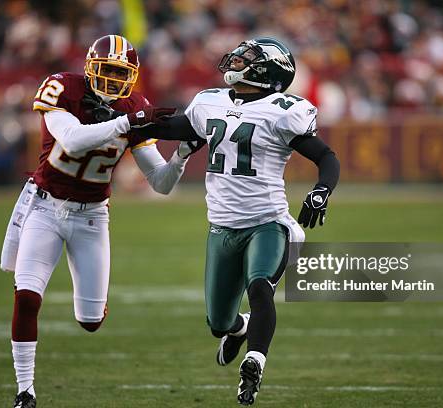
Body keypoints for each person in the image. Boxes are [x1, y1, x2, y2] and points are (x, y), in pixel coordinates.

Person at [127, 37, 340, 405]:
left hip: (267, 222)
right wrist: (123, 124)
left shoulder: (283, 110)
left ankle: (255, 363)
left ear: (267, 72)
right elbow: (173, 127)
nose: (238, 60)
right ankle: (238, 329)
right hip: (222, 228)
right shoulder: (210, 101)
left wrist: (321, 191)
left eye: (249, 58)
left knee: (260, 288)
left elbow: (326, 157)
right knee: (218, 324)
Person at [0, 35, 197, 408]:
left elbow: (161, 183)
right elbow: (73, 141)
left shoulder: (135, 106)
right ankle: (25, 390)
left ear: (132, 77)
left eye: (120, 74)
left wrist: (182, 155)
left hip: (92, 218)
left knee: (90, 321)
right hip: (45, 207)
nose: (111, 80)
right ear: (90, 67)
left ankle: (95, 304)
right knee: (27, 297)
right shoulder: (64, 87)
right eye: (106, 70)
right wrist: (128, 121)